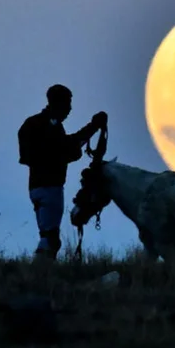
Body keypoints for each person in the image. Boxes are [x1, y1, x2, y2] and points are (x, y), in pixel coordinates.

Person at [17, 84, 108, 260]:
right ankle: (40, 270)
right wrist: (93, 127)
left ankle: (41, 270)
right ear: (59, 104)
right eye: (67, 104)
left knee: (48, 234)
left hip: (36, 187)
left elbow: (65, 147)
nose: (70, 109)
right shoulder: (49, 127)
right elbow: (67, 147)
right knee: (50, 238)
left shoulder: (33, 124)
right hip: (50, 187)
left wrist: (91, 129)